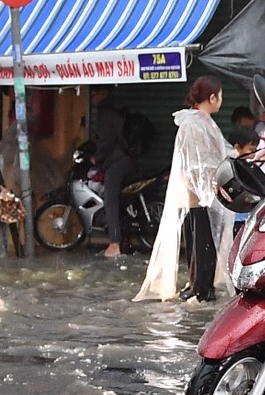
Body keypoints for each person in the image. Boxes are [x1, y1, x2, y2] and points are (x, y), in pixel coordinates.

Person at [138, 77, 232, 302]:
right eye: (220, 96)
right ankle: (201, 289)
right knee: (201, 243)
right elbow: (196, 161)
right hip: (197, 194)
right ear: (212, 97)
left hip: (203, 193)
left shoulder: (202, 120)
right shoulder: (193, 123)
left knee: (203, 241)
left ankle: (201, 285)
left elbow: (217, 151)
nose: (221, 101)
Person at [94, 93, 134, 257]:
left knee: (110, 201)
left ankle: (114, 244)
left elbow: (106, 141)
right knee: (120, 199)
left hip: (116, 161)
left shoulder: (105, 114)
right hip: (128, 159)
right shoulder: (118, 110)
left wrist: (97, 159)